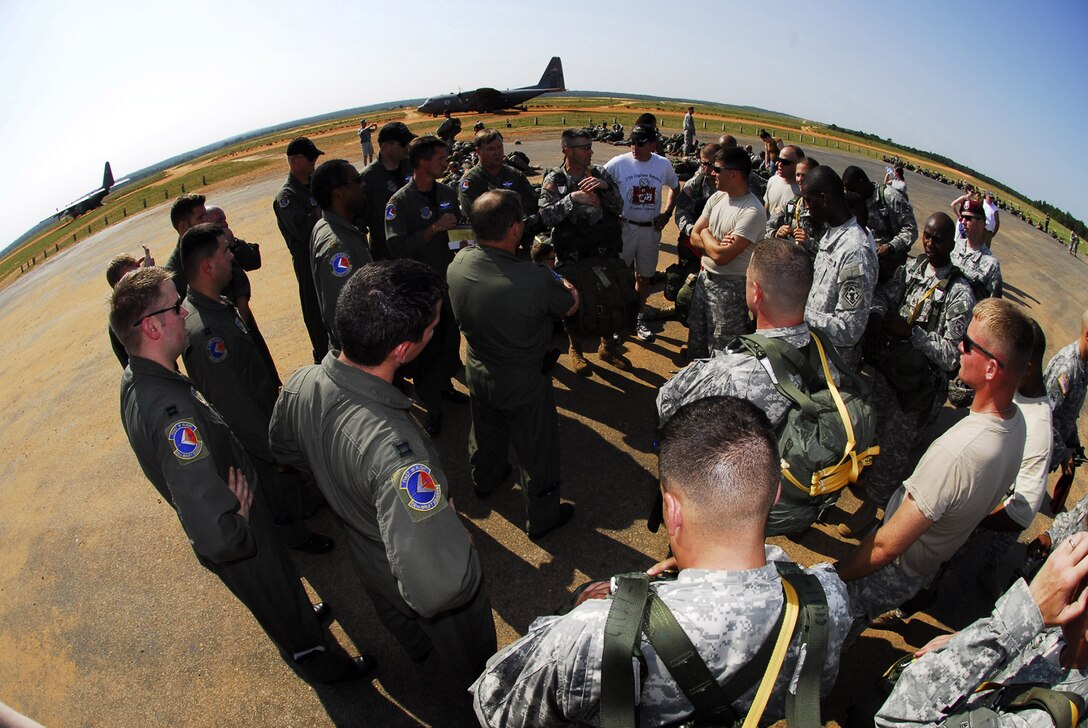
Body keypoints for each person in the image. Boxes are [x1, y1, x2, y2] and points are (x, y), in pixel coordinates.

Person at [470, 396, 852, 727]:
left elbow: (495, 707)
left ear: (671, 510)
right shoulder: (827, 600)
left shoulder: (593, 633)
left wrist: (577, 608)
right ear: (775, 495)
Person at [112, 266, 372, 685]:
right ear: (153, 326)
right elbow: (213, 534)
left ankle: (303, 616)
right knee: (279, 605)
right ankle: (324, 663)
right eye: (176, 307)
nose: (184, 314)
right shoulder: (171, 415)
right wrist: (237, 523)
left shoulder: (138, 378)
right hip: (242, 540)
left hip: (245, 522)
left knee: (286, 590)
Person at [269, 260, 497, 677]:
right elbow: (438, 589)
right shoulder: (398, 457)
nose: (435, 333)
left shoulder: (300, 383)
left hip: (366, 548)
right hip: (405, 560)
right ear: (402, 350)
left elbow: (284, 450)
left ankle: (416, 652)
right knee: (472, 656)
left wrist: (335, 479)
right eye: (431, 328)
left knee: (402, 622)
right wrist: (457, 546)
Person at [837, 299, 1033, 626]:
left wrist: (838, 574)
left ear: (991, 368)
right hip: (923, 565)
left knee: (842, 622)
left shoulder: (959, 452)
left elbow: (887, 546)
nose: (959, 347)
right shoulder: (1017, 423)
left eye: (969, 345)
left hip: (894, 567)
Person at [179, 223, 333, 555]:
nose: (232, 255)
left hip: (265, 410)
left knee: (287, 483)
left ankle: (302, 509)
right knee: (274, 488)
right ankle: (296, 536)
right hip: (257, 433)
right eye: (225, 250)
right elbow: (234, 407)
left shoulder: (216, 304)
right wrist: (272, 447)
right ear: (207, 265)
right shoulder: (205, 335)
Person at [448, 190, 580, 537]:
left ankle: (485, 480)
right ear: (515, 229)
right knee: (538, 451)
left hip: (478, 370)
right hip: (523, 381)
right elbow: (569, 305)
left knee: (486, 431)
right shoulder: (532, 279)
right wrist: (562, 283)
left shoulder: (458, 264)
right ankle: (543, 517)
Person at [874, 533, 1088, 727]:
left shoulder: (1043, 718)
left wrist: (1016, 619)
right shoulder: (1060, 637)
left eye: (1074, 583)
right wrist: (965, 642)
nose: (1055, 586)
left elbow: (894, 720)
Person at [855, 212, 977, 509]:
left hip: (919, 386)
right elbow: (884, 296)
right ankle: (863, 481)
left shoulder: (959, 293)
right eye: (927, 235)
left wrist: (912, 333)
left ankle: (873, 506)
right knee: (873, 428)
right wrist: (877, 315)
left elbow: (951, 357)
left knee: (896, 447)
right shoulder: (913, 269)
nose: (930, 243)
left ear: (952, 243)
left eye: (939, 239)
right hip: (891, 370)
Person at [658, 238, 822, 426]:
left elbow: (666, 406)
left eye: (748, 277)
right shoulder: (825, 352)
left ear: (756, 293)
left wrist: (693, 372)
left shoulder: (731, 373)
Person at [385, 135, 467, 435]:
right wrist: (433, 228)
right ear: (423, 162)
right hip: (421, 291)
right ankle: (431, 407)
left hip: (448, 282)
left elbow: (458, 231)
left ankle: (445, 386)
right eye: (440, 158)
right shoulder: (399, 203)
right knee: (425, 351)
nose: (446, 162)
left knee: (448, 339)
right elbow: (396, 247)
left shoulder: (446, 191)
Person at [538, 128, 631, 373]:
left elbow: (619, 205)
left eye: (590, 147)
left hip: (603, 251)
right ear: (567, 150)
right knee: (574, 303)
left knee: (610, 298)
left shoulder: (599, 173)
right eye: (584, 147)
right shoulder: (555, 179)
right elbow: (545, 216)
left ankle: (608, 347)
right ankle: (576, 350)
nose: (590, 152)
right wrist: (572, 199)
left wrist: (604, 187)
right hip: (573, 254)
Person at [684, 146, 767, 359]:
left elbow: (722, 258)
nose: (712, 173)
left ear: (733, 173)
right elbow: (693, 235)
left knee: (721, 349)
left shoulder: (752, 211)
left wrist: (706, 234)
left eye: (717, 169)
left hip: (731, 288)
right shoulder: (718, 197)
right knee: (697, 339)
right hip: (705, 280)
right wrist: (712, 240)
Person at [604, 123, 680, 343]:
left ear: (653, 145)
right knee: (619, 277)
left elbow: (675, 187)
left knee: (643, 277)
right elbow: (599, 182)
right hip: (625, 227)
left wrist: (667, 213)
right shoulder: (618, 163)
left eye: (640, 143)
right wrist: (611, 211)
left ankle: (637, 318)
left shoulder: (662, 165)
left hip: (650, 230)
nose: (634, 147)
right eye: (631, 142)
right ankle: (617, 322)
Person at [802, 165, 879, 370]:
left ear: (824, 198)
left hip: (833, 366)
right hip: (815, 353)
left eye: (808, 200)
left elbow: (849, 328)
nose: (805, 207)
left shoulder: (854, 251)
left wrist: (799, 313)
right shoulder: (831, 235)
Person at [203, 205, 277, 383]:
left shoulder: (227, 245)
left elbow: (253, 261)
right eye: (220, 221)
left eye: (225, 219)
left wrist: (234, 244)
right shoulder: (205, 255)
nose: (226, 224)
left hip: (243, 318)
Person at [273, 136, 328, 364]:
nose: (315, 161)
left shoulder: (316, 183)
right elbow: (304, 230)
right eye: (311, 158)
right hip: (308, 262)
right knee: (317, 314)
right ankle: (324, 359)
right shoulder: (287, 197)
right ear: (295, 161)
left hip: (328, 254)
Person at [309, 159, 371, 351]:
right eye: (357, 180)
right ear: (339, 191)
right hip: (361, 355)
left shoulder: (330, 225)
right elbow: (343, 315)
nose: (363, 185)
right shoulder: (337, 247)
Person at [842, 166, 918, 283]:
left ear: (861, 183)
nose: (849, 193)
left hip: (889, 267)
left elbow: (911, 230)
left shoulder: (891, 197)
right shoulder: (856, 202)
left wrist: (890, 246)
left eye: (851, 189)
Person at [457, 129, 538, 238]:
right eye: (491, 149)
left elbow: (531, 205)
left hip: (519, 238)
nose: (497, 152)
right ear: (478, 151)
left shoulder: (515, 175)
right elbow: (475, 217)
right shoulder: (471, 181)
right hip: (487, 243)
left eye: (500, 147)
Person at [359, 121, 416, 261]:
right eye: (403, 143)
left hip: (414, 249)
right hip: (385, 254)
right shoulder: (368, 177)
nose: (407, 147)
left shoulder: (412, 166)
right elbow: (359, 221)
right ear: (385, 146)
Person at [1045, 311, 1088, 476]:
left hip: (1050, 454)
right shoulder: (1066, 368)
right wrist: (1063, 452)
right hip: (1034, 455)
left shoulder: (1084, 366)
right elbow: (1047, 416)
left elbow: (1068, 413)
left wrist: (1073, 444)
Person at [105, 248, 154, 367]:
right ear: (118, 286)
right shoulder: (121, 319)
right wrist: (148, 273)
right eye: (132, 277)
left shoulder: (142, 301)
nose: (138, 281)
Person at [766, 156, 821, 255]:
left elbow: (833, 253)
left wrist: (808, 242)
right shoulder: (792, 204)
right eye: (797, 175)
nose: (800, 179)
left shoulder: (823, 210)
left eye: (804, 175)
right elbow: (766, 227)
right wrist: (777, 233)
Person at [953, 198, 1004, 299]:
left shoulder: (991, 265)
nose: (963, 221)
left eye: (968, 218)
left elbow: (994, 304)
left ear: (981, 223)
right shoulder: (955, 246)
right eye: (962, 217)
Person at [163, 193, 208, 295]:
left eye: (206, 215)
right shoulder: (173, 274)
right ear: (184, 227)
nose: (207, 220)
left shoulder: (216, 245)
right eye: (201, 218)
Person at [763, 145, 805, 220]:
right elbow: (766, 210)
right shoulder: (772, 180)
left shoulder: (803, 190)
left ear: (798, 164)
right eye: (778, 159)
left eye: (785, 162)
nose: (779, 164)